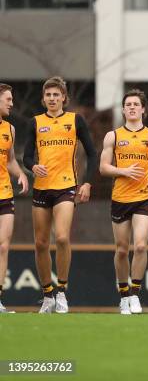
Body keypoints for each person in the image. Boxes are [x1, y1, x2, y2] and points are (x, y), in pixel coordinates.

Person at [23, 76, 97, 314]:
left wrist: (86, 183)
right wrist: (33, 166)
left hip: (67, 186)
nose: (52, 99)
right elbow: (26, 157)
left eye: (57, 95)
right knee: (41, 243)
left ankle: (62, 291)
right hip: (42, 188)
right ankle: (47, 295)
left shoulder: (75, 120)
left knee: (62, 238)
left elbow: (93, 154)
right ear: (43, 99)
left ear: (64, 97)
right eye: (48, 95)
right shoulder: (35, 122)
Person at [99, 89, 148, 315]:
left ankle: (135, 294)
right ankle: (123, 296)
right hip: (120, 198)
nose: (131, 107)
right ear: (123, 110)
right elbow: (103, 167)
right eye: (128, 104)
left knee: (140, 245)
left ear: (143, 110)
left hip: (143, 197)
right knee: (121, 250)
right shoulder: (113, 136)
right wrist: (123, 171)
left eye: (135, 104)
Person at [0, 84, 29, 313]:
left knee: (3, 246)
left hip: (4, 193)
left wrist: (20, 175)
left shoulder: (9, 129)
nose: (11, 103)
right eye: (8, 99)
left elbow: (9, 160)